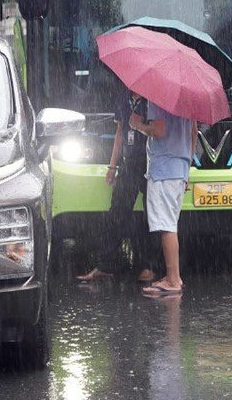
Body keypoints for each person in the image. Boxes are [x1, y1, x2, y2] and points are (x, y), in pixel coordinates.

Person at [75, 89, 157, 283]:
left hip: (151, 163)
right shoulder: (123, 98)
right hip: (128, 165)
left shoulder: (153, 99)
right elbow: (119, 132)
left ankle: (148, 266)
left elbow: (160, 130)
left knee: (150, 216)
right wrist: (112, 165)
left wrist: (140, 125)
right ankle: (105, 265)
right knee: (116, 213)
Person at [129, 100, 196, 296]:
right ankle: (174, 277)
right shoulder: (187, 103)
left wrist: (137, 125)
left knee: (166, 226)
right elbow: (193, 135)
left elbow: (158, 131)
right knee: (171, 223)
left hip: (163, 170)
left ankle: (173, 279)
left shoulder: (159, 99)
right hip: (179, 169)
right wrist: (186, 170)